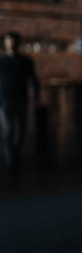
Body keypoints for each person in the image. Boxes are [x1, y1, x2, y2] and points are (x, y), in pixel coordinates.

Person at [0, 31, 40, 176]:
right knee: (8, 130)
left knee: (20, 131)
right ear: (4, 42)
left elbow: (33, 79)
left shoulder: (25, 61)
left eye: (13, 40)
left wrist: (36, 96)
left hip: (21, 99)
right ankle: (10, 160)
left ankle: (15, 155)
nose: (11, 42)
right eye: (8, 40)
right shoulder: (1, 61)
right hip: (4, 100)